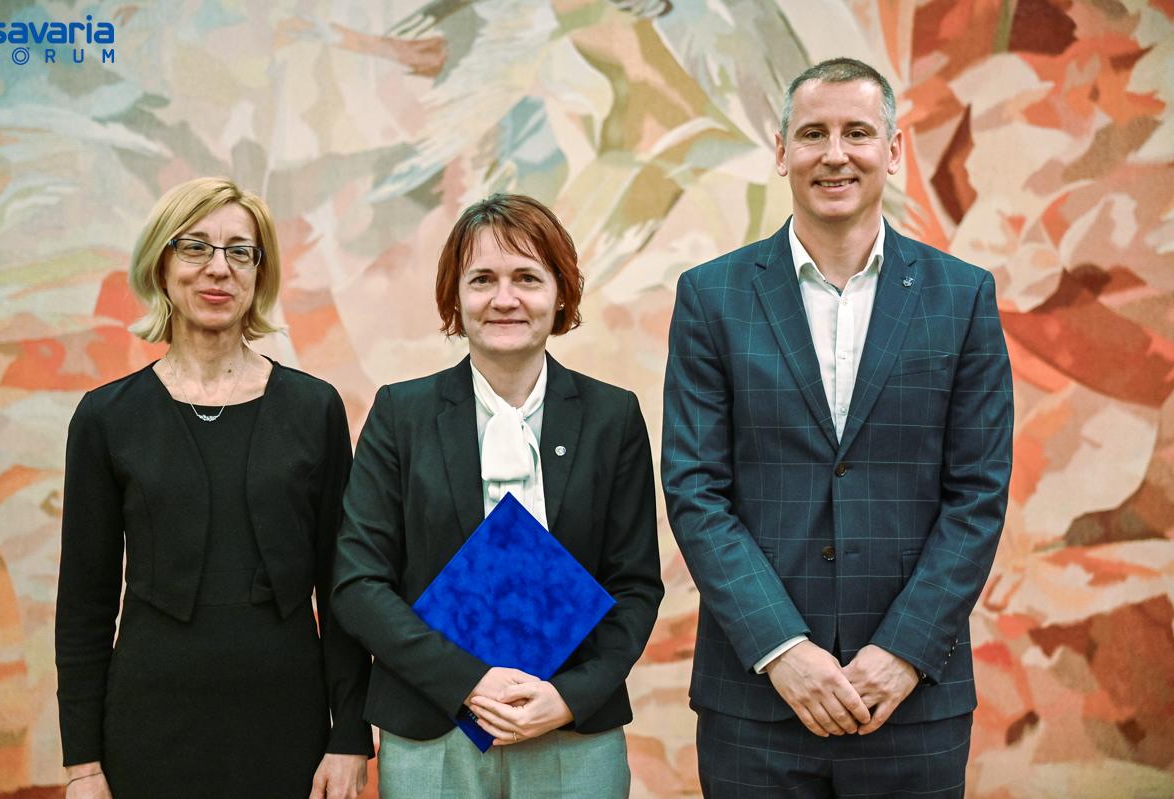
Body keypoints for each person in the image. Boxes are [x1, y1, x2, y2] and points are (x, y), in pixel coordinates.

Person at [661, 57, 1013, 797]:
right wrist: (781, 648)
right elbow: (695, 490)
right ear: (782, 150)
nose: (835, 154)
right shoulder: (711, 296)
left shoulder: (963, 297)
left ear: (892, 150)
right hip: (756, 701)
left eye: (857, 132)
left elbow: (978, 495)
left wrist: (904, 651)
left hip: (912, 702)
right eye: (813, 133)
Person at [331, 193, 663, 798]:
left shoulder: (612, 417)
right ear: (455, 297)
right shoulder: (401, 414)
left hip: (571, 731)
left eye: (527, 278)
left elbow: (635, 584)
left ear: (560, 294)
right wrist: (468, 681)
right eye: (482, 279)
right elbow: (359, 584)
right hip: (432, 727)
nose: (504, 298)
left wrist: (570, 696)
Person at [55, 177, 373, 799]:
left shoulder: (315, 409)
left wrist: (351, 735)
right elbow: (85, 602)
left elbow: (342, 586)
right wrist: (83, 765)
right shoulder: (106, 418)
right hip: (149, 723)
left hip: (288, 721)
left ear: (259, 272)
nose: (218, 268)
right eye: (195, 247)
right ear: (162, 263)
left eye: (239, 251)